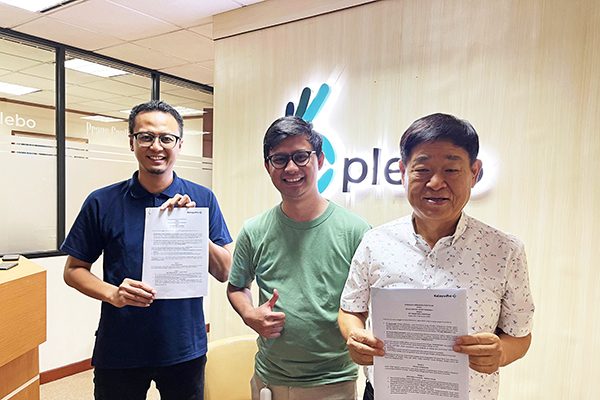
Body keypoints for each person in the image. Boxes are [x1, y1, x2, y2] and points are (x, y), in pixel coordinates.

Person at [338, 113, 535, 400]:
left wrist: (502, 353)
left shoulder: (505, 251)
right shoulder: (375, 242)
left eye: (452, 170)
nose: (436, 182)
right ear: (403, 171)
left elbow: (520, 334)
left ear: (475, 172)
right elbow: (350, 310)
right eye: (422, 169)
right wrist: (355, 337)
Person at [62, 100, 233, 400]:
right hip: (120, 349)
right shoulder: (102, 201)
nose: (156, 146)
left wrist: (192, 229)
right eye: (146, 137)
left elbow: (224, 271)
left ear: (179, 145)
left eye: (166, 138)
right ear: (132, 142)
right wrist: (112, 294)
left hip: (183, 348)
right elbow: (73, 270)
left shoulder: (202, 198)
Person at [227, 116, 371, 400]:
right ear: (268, 166)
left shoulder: (356, 231)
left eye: (301, 156)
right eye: (279, 159)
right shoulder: (254, 230)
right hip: (269, 380)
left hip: (333, 383)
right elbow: (236, 286)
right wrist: (248, 314)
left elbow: (370, 302)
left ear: (320, 160)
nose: (291, 168)